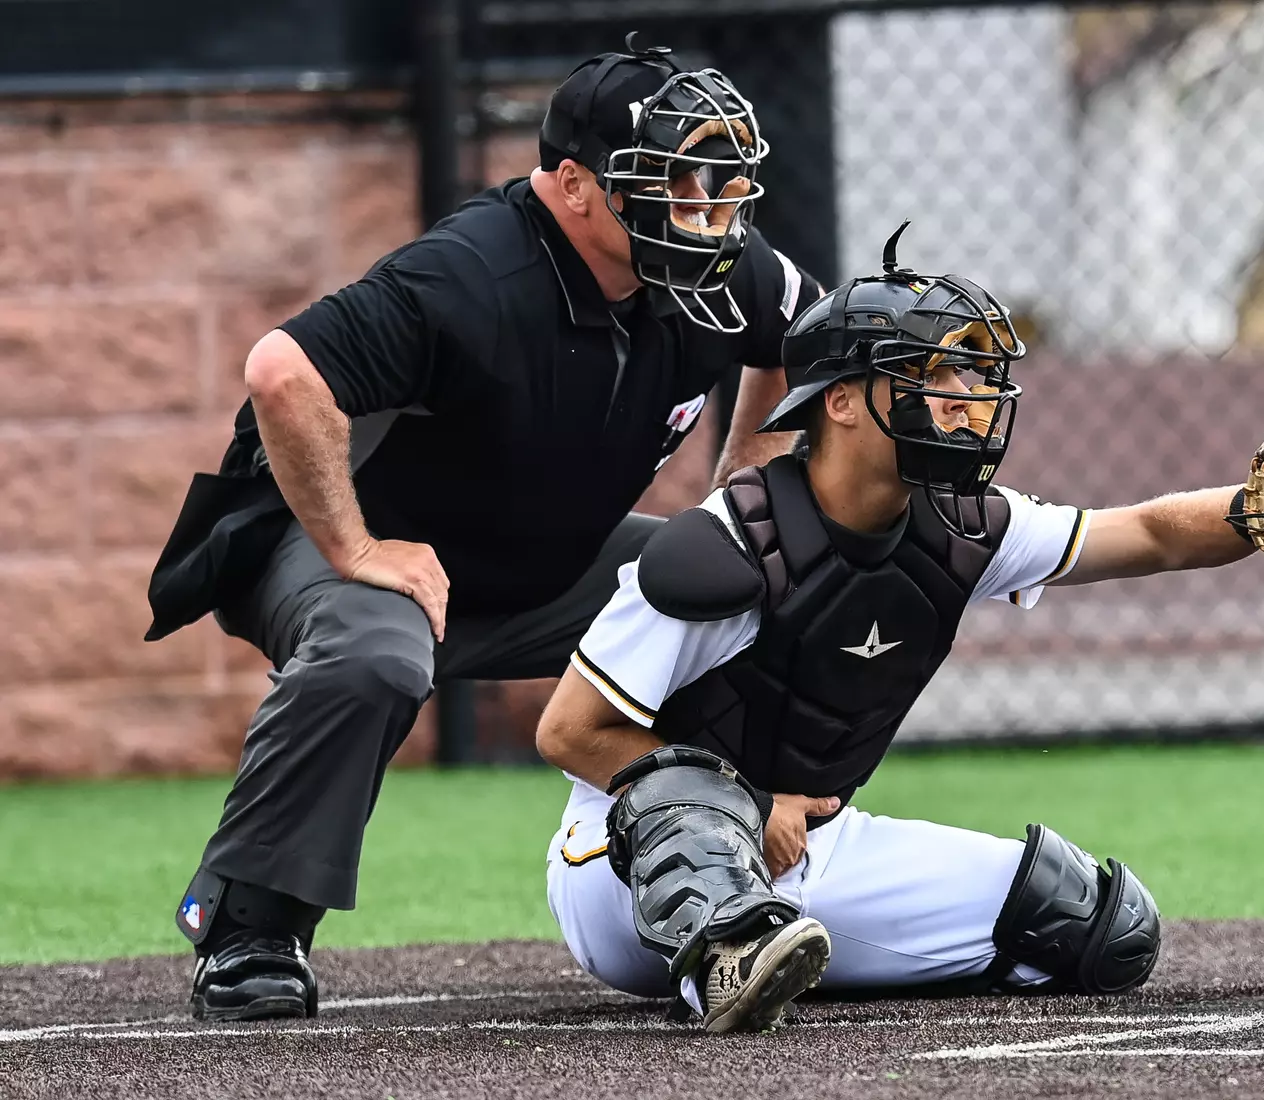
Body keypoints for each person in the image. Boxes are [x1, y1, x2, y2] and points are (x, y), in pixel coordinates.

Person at [532, 229, 1264, 1033]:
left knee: (1099, 927)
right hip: (626, 871)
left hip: (812, 849)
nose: (972, 399)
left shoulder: (966, 526)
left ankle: (784, 949)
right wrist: (751, 808)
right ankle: (723, 956)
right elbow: (569, 730)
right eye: (940, 373)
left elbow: (1148, 533)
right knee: (693, 800)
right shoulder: (725, 544)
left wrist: (1256, 512)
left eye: (979, 376)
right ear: (843, 402)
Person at [142, 35, 823, 1022]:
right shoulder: (473, 273)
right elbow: (282, 373)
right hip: (342, 543)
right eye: (677, 182)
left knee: (754, 582)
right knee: (375, 654)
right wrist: (356, 549)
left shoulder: (717, 268)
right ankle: (248, 927)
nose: (708, 210)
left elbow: (801, 345)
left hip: (541, 557)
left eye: (718, 184)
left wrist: (736, 490)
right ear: (575, 186)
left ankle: (716, 898)